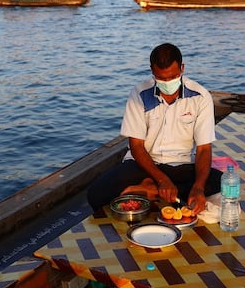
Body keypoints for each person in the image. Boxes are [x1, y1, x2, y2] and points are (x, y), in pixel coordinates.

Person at [86, 43, 220, 215]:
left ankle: (151, 190)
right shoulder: (139, 94)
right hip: (143, 165)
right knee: (95, 195)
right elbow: (136, 146)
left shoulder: (200, 97)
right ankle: (157, 185)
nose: (167, 83)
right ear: (152, 71)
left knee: (220, 182)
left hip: (181, 164)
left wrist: (199, 188)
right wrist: (162, 179)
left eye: (172, 77)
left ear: (182, 68)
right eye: (161, 79)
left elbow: (203, 149)